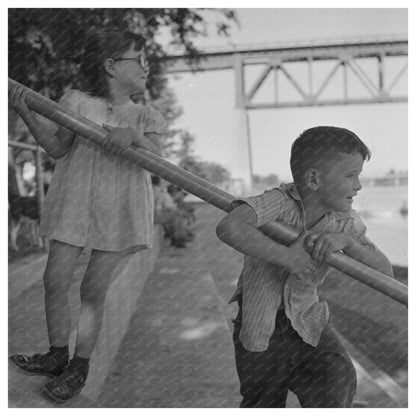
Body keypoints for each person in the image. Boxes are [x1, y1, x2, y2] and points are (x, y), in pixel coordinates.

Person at [9, 28, 167, 403]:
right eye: (139, 59)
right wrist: (24, 110)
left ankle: (79, 368)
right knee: (54, 278)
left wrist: (135, 137)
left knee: (92, 291)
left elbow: (159, 163)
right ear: (111, 65)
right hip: (75, 204)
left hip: (119, 211)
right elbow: (56, 148)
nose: (146, 67)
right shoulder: (76, 101)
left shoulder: (145, 114)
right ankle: (56, 354)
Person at [216, 126, 393, 408]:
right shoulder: (280, 202)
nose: (358, 185)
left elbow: (385, 272)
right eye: (351, 176)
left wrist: (348, 243)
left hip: (308, 319)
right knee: (262, 400)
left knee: (338, 377)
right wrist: (288, 257)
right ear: (313, 179)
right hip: (261, 322)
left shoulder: (344, 222)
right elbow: (230, 226)